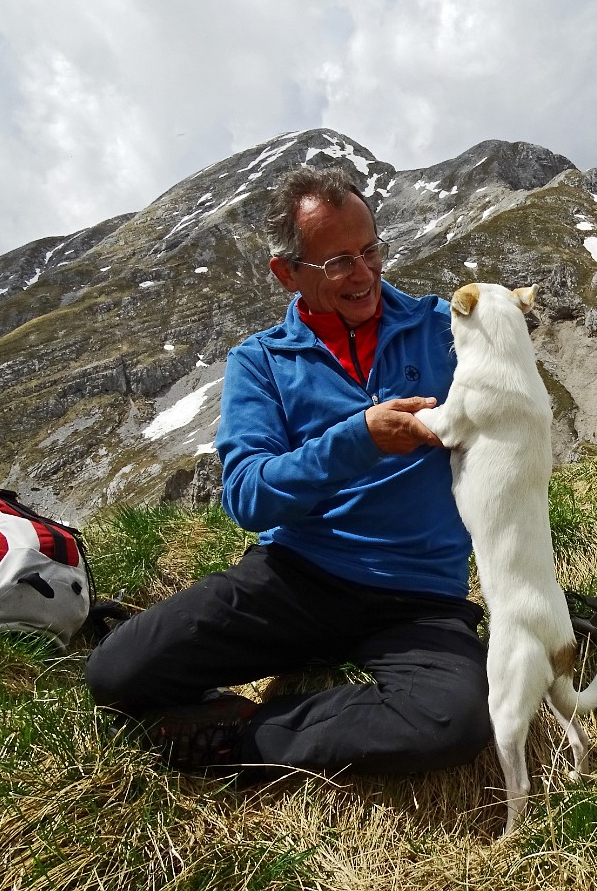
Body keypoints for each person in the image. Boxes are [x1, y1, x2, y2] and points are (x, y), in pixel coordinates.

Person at [85, 166, 492, 779]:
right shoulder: (261, 362)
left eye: (370, 250)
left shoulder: (445, 329)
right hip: (296, 579)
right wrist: (359, 439)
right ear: (288, 272)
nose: (364, 274)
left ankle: (240, 739)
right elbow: (247, 496)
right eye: (338, 263)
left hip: (421, 598)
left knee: (453, 719)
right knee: (115, 674)